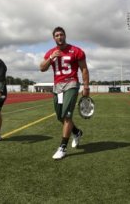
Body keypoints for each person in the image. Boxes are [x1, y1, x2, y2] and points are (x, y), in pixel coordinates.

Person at [40, 26, 90, 160]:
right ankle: (77, 132)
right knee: (60, 117)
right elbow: (42, 68)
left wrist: (86, 87)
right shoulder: (51, 52)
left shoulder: (76, 50)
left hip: (71, 84)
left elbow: (84, 69)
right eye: (56, 35)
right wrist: (51, 57)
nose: (59, 37)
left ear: (65, 36)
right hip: (58, 87)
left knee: (67, 115)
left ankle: (62, 147)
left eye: (61, 34)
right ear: (53, 38)